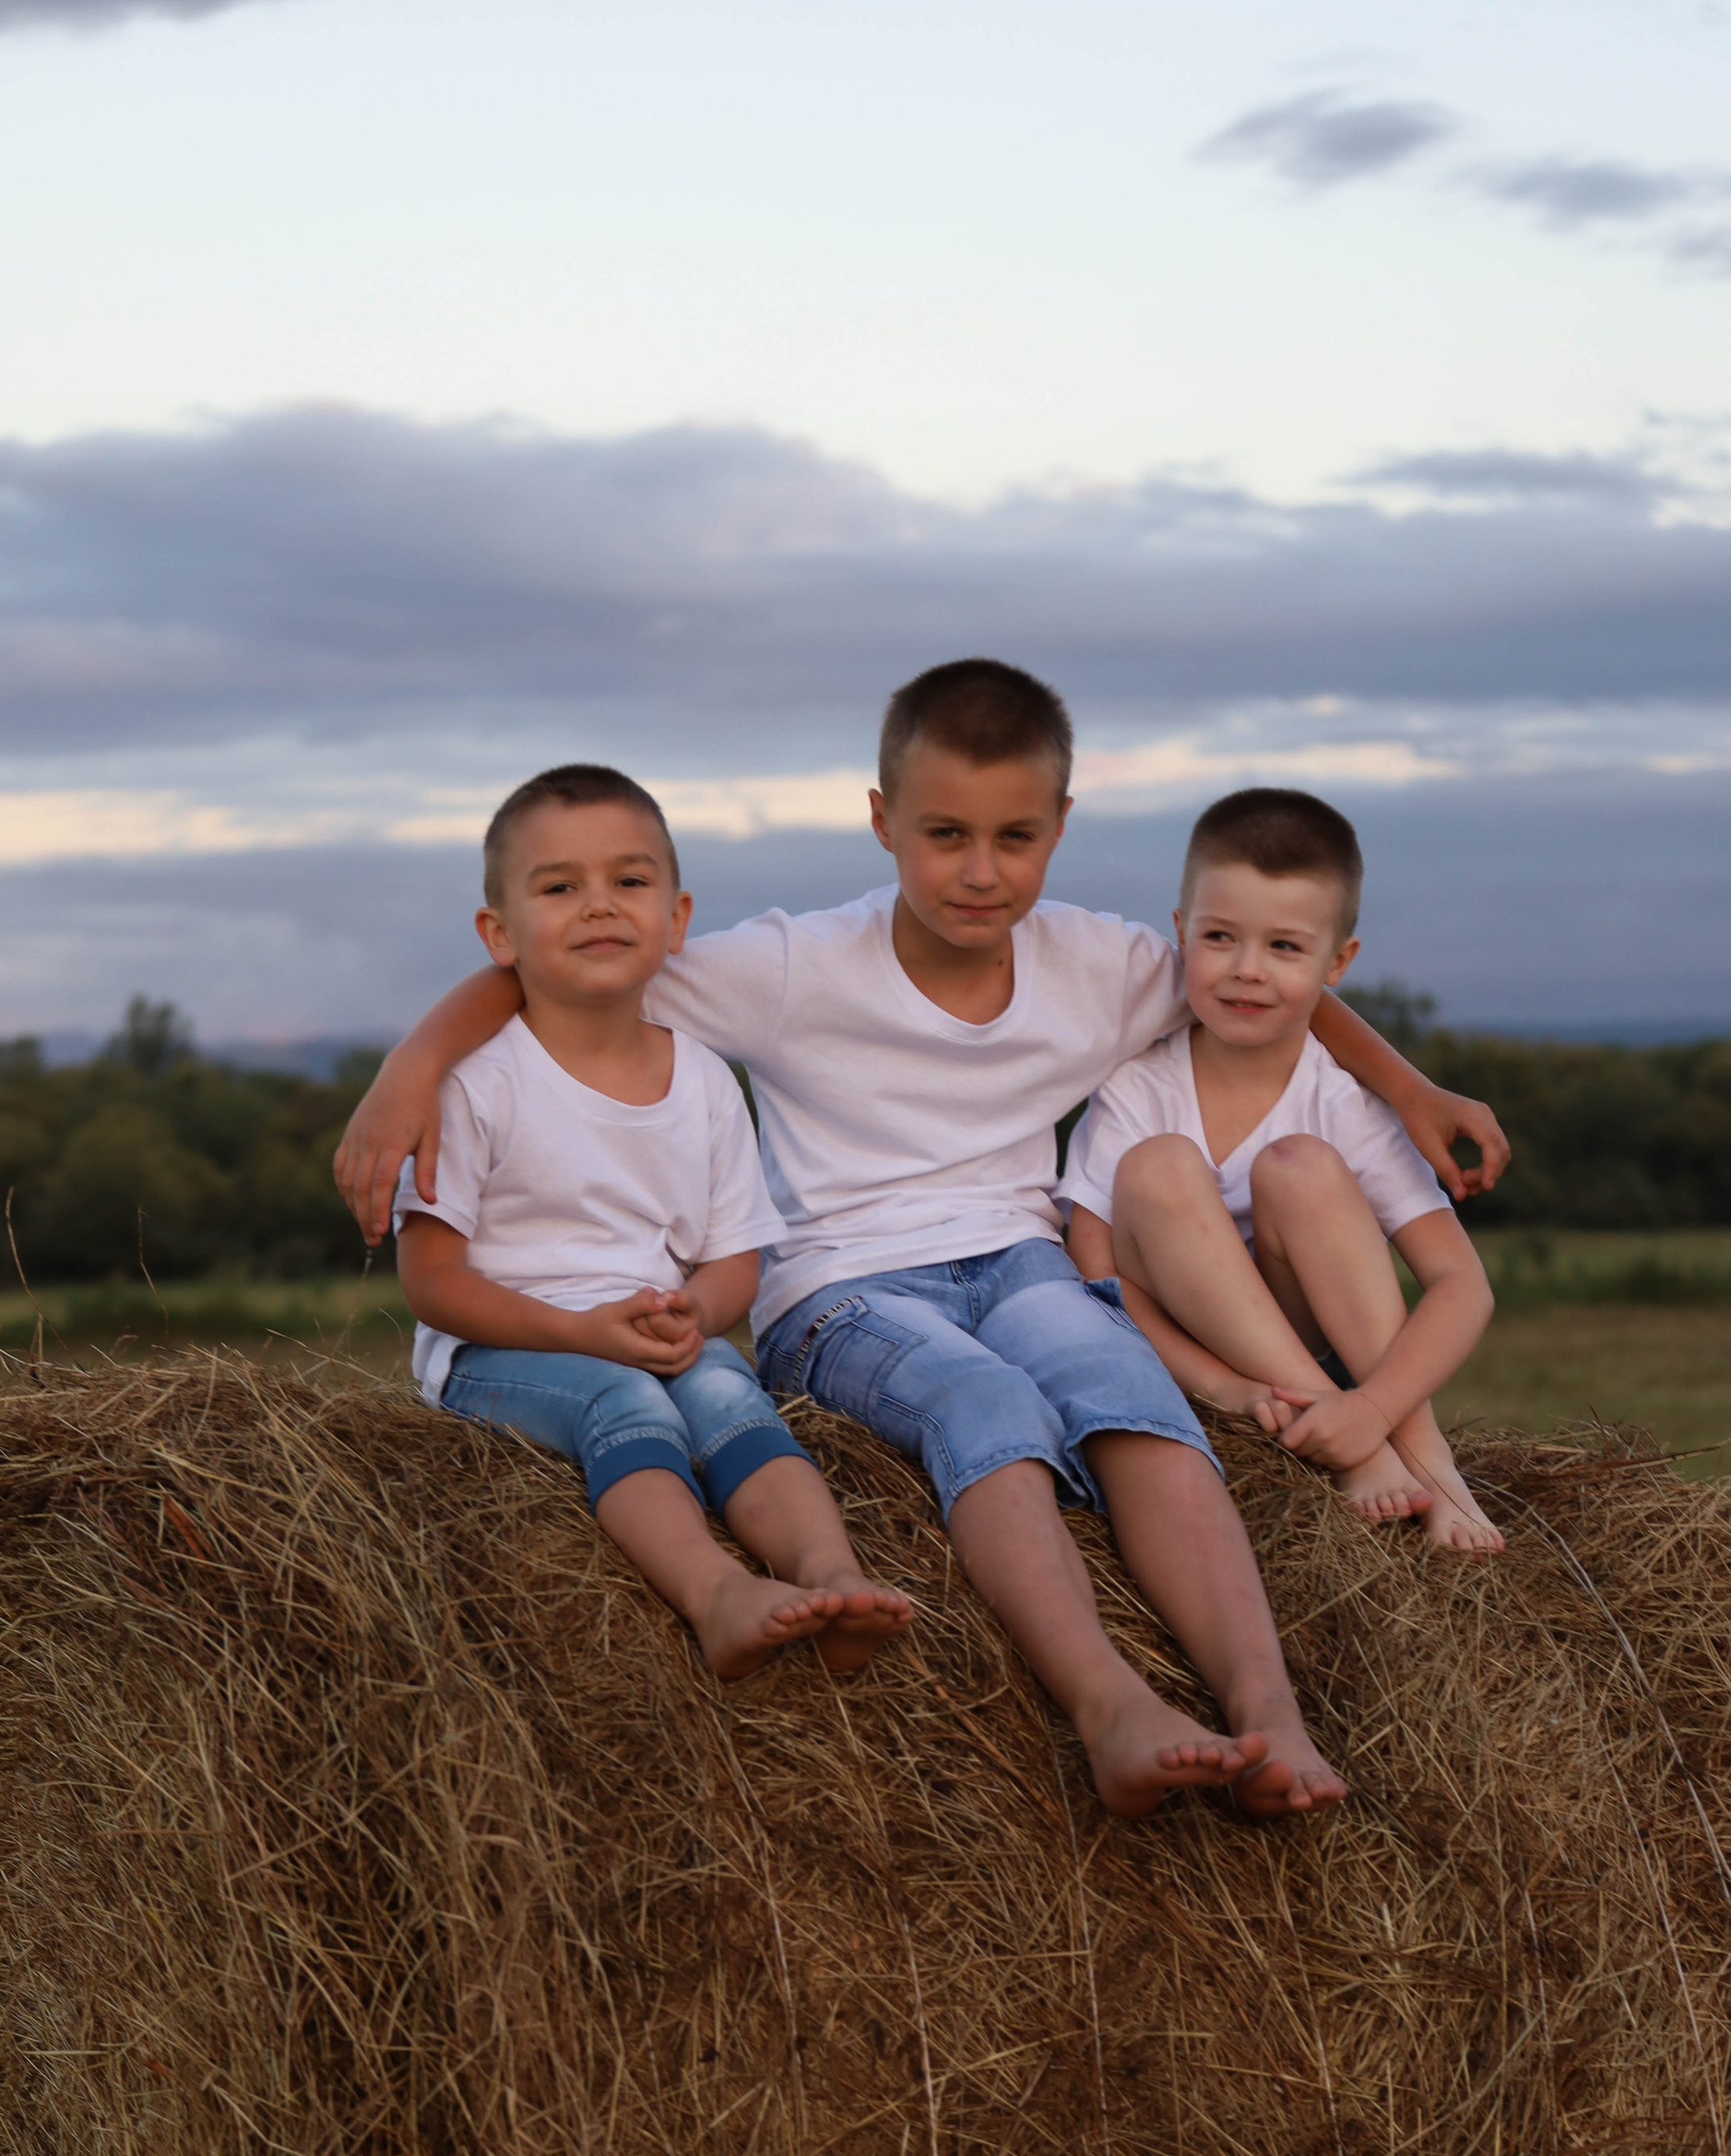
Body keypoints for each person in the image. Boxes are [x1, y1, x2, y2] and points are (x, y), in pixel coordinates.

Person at [339, 662, 1510, 1819]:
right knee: (984, 1404)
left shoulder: (1102, 965)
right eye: (944, 834)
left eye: (1014, 837)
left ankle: (1271, 1713)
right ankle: (1111, 1707)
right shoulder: (793, 968)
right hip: (842, 1292)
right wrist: (411, 1074)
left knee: (1120, 1385)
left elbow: (1266, 975)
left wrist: (1408, 1092)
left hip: (1022, 1258)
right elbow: (562, 973)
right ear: (882, 822)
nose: (980, 871)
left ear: (1060, 828)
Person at [390, 761, 915, 1683]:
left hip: (644, 1327)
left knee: (724, 1392)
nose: (599, 906)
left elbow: (731, 1263)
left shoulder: (706, 1080)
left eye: (629, 882)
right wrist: (581, 1333)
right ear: (498, 933)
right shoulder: (476, 1084)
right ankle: (716, 1594)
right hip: (501, 1353)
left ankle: (830, 1575)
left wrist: (694, 1316)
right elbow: (431, 1282)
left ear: (676, 919)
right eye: (560, 888)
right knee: (619, 1400)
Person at [1061, 788, 1503, 1554]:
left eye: (1285, 948)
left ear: (1339, 962)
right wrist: (1224, 1387)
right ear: (1181, 933)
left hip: (1313, 1339)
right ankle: (1352, 1446)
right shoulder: (1139, 1087)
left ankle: (1427, 1460)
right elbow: (1097, 1275)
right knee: (1161, 1166)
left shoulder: (1345, 1102)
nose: (1246, 972)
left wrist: (1374, 1407)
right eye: (1221, 937)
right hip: (1184, 1355)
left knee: (1300, 1166)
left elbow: (1464, 1287)